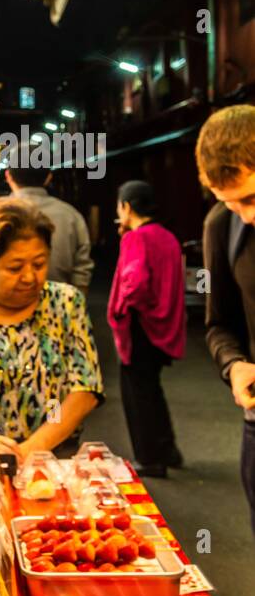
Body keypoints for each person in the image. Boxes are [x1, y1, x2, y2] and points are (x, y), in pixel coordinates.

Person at [0, 198, 104, 459]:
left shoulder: (65, 304)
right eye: (15, 267)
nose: (29, 277)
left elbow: (85, 389)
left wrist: (28, 451)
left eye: (39, 264)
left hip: (51, 458)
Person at [196, 105, 255, 532]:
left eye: (250, 198)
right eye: (230, 203)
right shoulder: (222, 226)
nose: (246, 215)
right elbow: (219, 325)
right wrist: (234, 366)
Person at [107, 180, 185, 478]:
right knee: (152, 388)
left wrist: (123, 306)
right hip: (162, 326)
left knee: (137, 394)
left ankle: (149, 457)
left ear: (126, 206)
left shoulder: (135, 238)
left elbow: (135, 281)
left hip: (139, 325)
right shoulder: (167, 237)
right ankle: (168, 449)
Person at [0, 166, 93, 293]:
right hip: (58, 304)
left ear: (8, 176)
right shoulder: (71, 215)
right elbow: (82, 270)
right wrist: (74, 301)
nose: (29, 277)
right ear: (48, 177)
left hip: (6, 301)